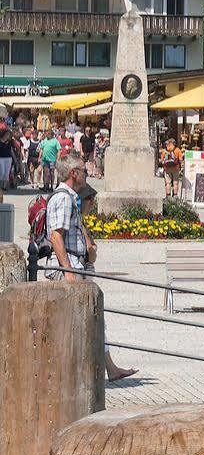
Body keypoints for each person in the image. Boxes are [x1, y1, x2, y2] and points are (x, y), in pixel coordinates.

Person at [46, 155, 137, 380]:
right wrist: (68, 271)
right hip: (71, 267)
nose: (87, 173)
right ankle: (71, 374)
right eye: (83, 170)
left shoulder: (71, 198)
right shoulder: (64, 198)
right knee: (79, 321)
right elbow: (56, 236)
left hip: (78, 265)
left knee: (93, 318)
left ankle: (108, 369)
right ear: (73, 173)